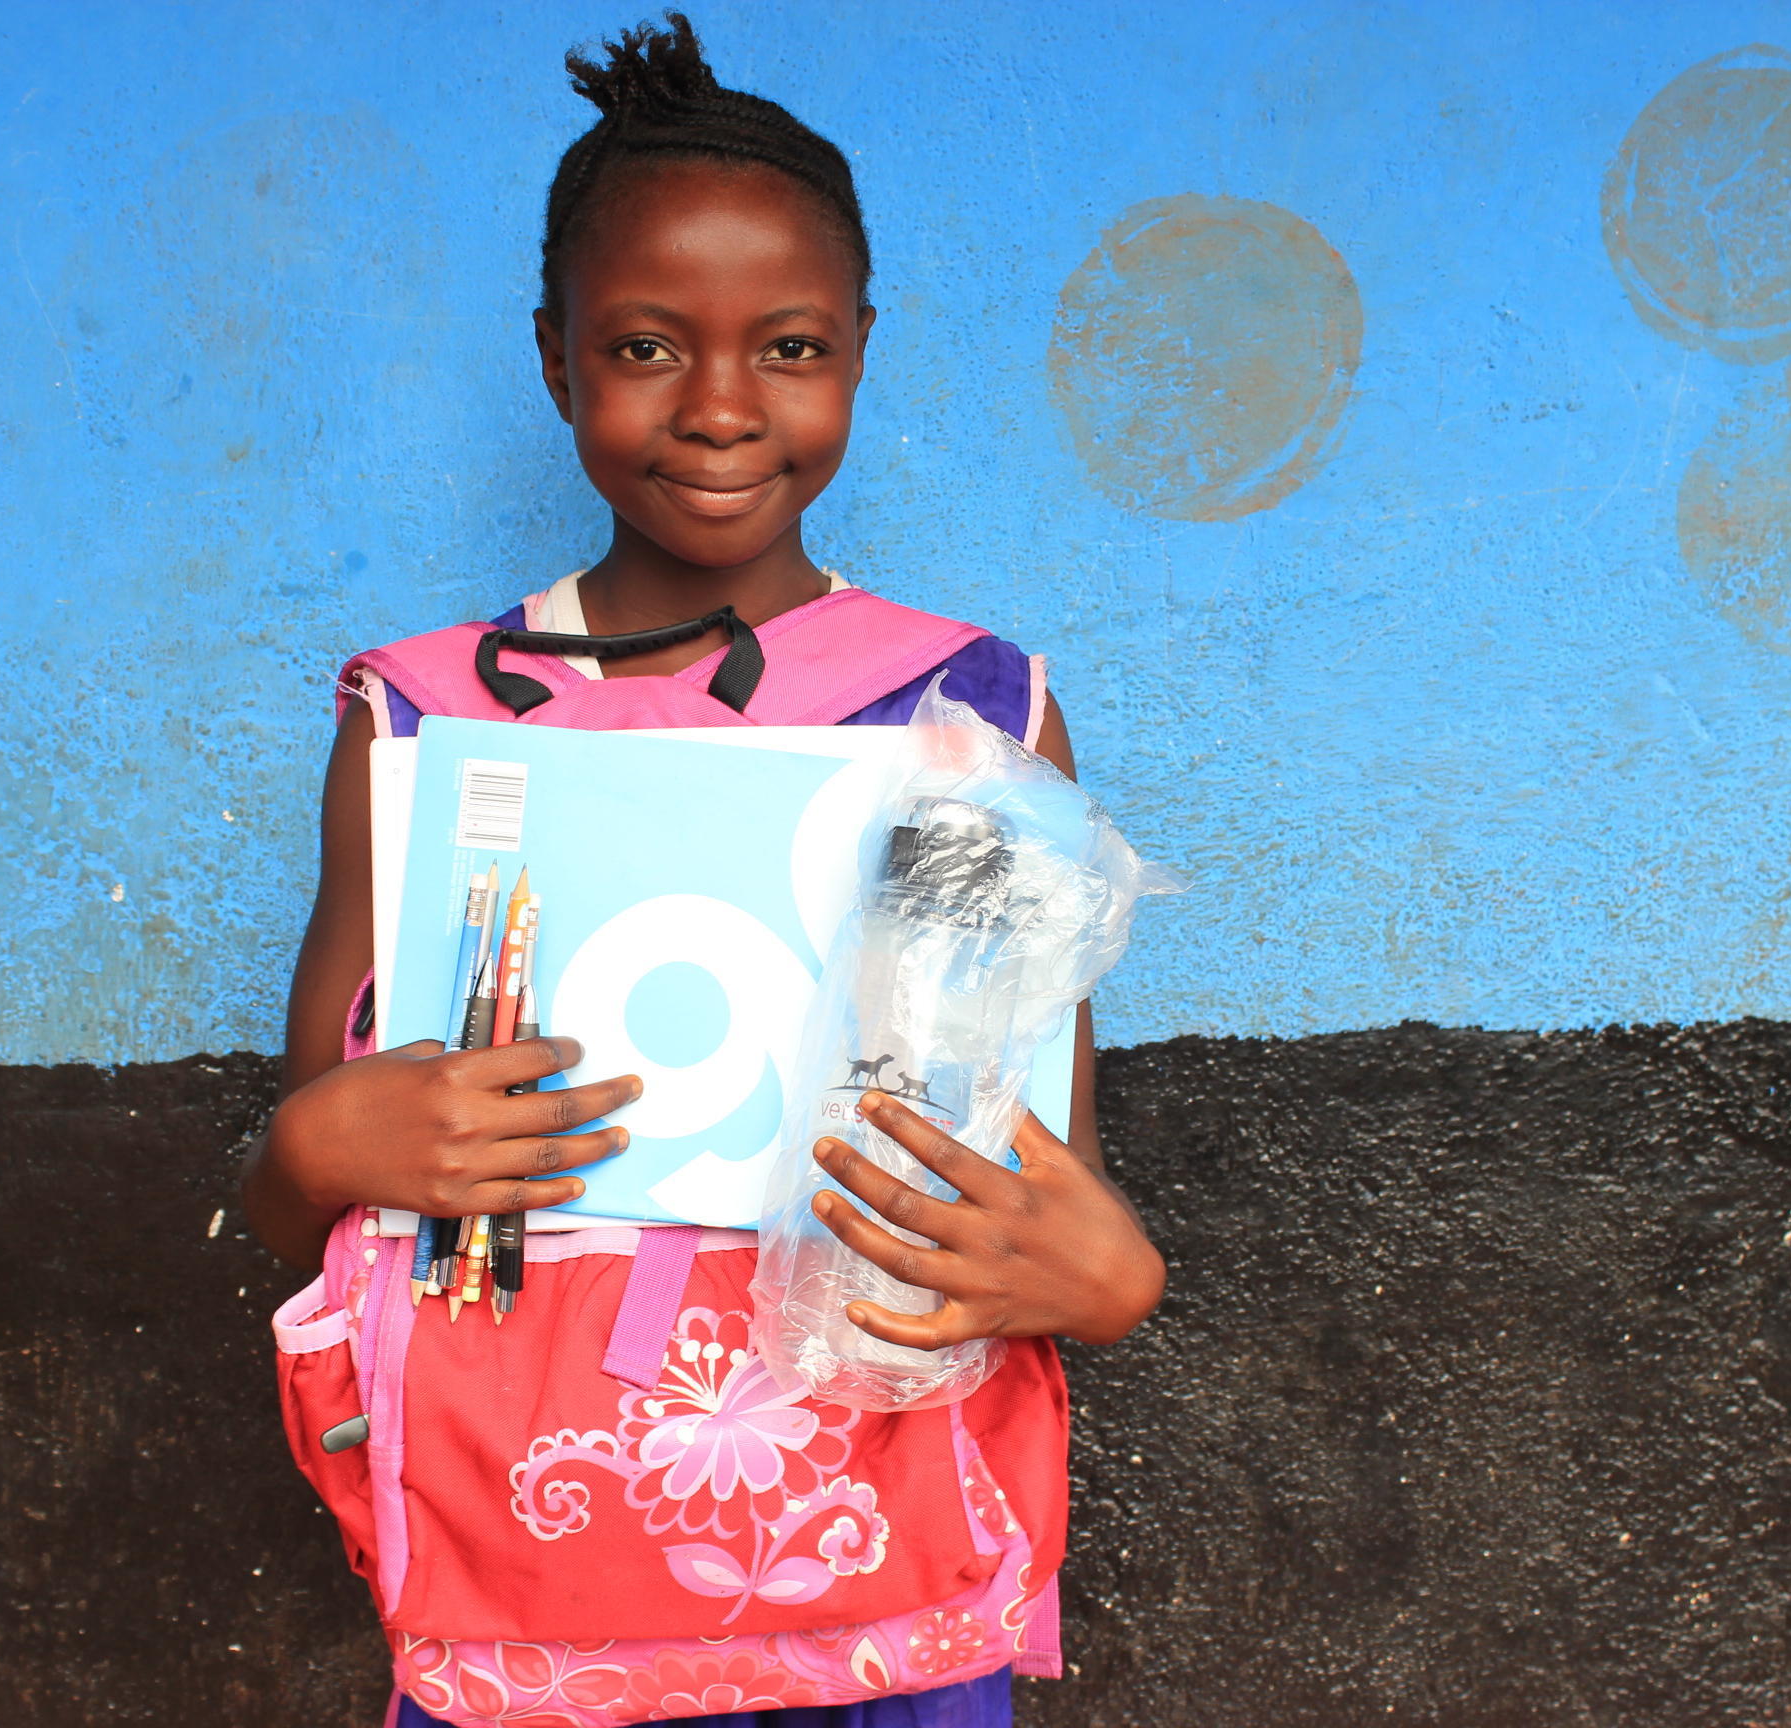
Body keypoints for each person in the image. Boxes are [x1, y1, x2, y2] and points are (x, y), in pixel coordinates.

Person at [242, 16, 1164, 1726]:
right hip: (521, 1569)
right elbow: (314, 1176)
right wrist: (311, 1142)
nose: (724, 408)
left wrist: (1107, 1277)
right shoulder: (430, 718)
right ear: (553, 357)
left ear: (863, 353)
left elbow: (1039, 1167)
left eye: (792, 346)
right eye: (649, 346)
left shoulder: (967, 716)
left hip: (875, 1572)